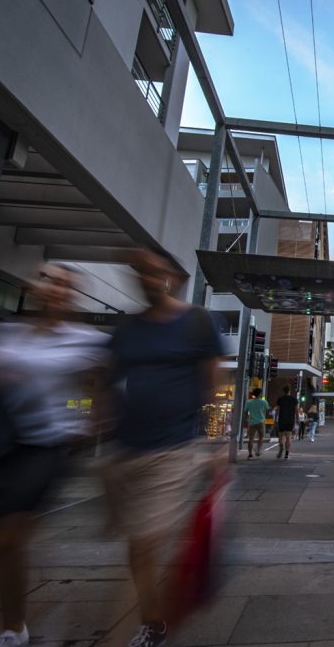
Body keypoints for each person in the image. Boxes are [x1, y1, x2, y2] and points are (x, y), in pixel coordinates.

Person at [0, 264, 107, 647]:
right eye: (48, 280)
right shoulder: (4, 334)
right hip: (1, 446)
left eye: (64, 285)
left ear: (74, 295)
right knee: (2, 539)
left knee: (13, 531)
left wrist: (89, 420)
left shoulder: (85, 340)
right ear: (33, 287)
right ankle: (12, 621)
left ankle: (13, 630)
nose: (55, 289)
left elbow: (101, 384)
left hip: (47, 444)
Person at [104, 247, 225, 647]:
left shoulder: (197, 323)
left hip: (175, 445)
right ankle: (154, 612)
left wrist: (214, 441)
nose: (149, 278)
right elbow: (107, 383)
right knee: (138, 541)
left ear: (171, 276)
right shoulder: (127, 330)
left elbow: (210, 388)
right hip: (126, 448)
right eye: (140, 272)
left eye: (155, 271)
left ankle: (151, 622)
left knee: (146, 538)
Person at [244, 389, 270, 458]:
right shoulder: (264, 402)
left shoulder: (249, 402)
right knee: (261, 437)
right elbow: (267, 409)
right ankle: (258, 450)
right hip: (260, 422)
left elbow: (245, 412)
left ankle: (250, 454)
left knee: (251, 439)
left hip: (251, 422)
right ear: (260, 394)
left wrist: (246, 420)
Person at [274, 386, 298, 459]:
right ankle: (287, 454)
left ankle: (281, 447)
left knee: (280, 436)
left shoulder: (280, 399)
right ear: (289, 391)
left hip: (281, 420)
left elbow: (277, 410)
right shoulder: (294, 399)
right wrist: (298, 420)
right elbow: (296, 410)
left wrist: (275, 419)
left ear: (283, 391)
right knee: (288, 437)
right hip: (290, 420)